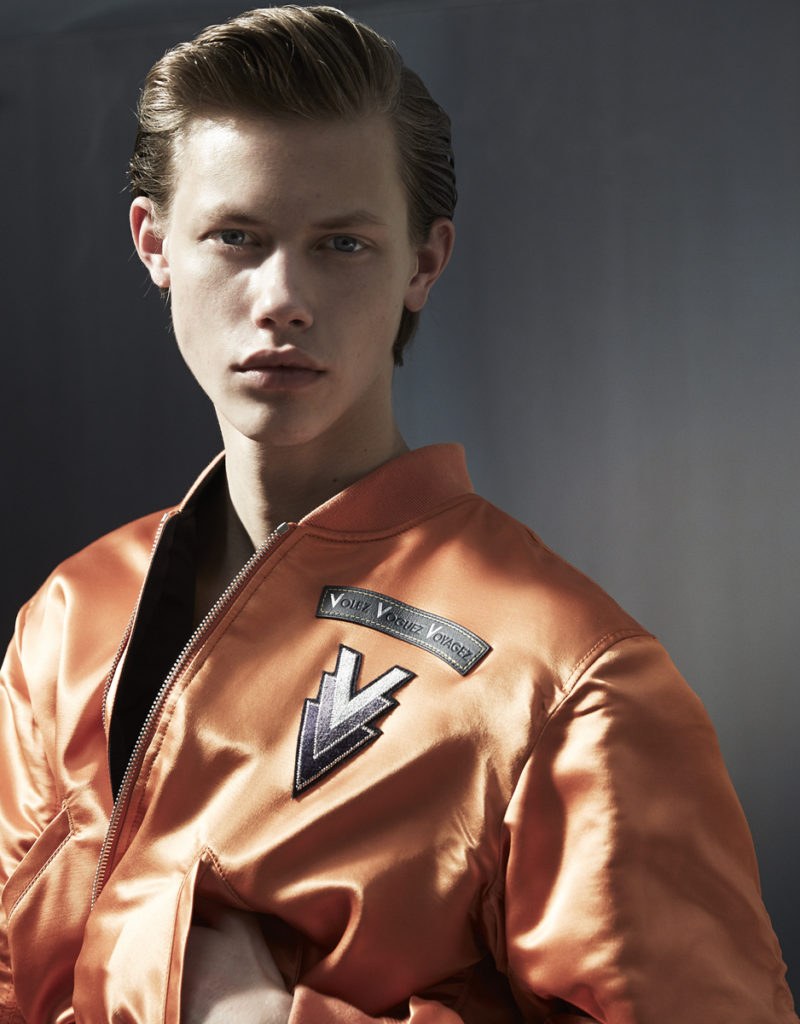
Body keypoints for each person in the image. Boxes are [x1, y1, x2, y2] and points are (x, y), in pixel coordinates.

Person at [0, 6, 795, 1023]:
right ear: (155, 244)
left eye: (341, 244)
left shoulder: (566, 681)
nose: (283, 297)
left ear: (422, 263)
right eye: (236, 237)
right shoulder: (72, 617)